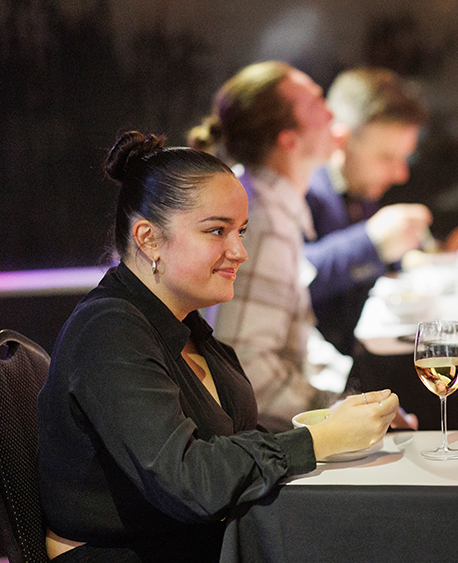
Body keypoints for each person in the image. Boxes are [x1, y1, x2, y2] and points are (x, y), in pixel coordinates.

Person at [36, 131, 398, 562]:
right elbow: (190, 481)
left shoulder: (186, 327)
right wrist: (316, 440)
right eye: (217, 231)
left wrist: (338, 427)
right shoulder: (109, 330)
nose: (239, 251)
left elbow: (233, 448)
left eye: (241, 231)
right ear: (149, 238)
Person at [189, 62, 416, 431]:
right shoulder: (260, 220)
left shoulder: (275, 207)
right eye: (317, 105)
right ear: (288, 139)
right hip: (266, 443)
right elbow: (245, 372)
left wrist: (349, 396)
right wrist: (336, 413)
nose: (331, 113)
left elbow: (294, 339)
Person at [304, 67, 432, 358]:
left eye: (404, 158)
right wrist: (372, 242)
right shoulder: (302, 192)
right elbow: (292, 276)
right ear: (340, 141)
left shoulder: (359, 186)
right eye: (387, 157)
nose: (401, 174)